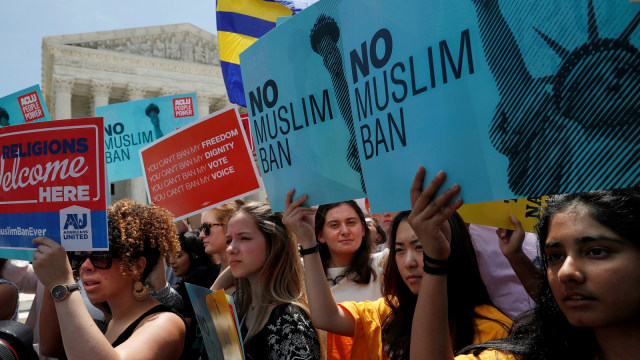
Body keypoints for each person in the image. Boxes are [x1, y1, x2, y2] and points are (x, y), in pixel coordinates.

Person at [408, 168, 640, 360]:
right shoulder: (530, 354)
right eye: (555, 256)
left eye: (596, 252)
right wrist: (435, 261)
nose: (566, 272)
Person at [284, 188, 511, 360]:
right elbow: (326, 317)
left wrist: (436, 264)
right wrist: (307, 242)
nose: (409, 261)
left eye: (421, 247)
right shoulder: (389, 312)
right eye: (400, 250)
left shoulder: (495, 329)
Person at [33, 199, 187, 360]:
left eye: (101, 257)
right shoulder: (111, 319)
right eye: (80, 256)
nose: (85, 266)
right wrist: (52, 277)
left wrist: (62, 284)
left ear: (137, 266)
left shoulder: (165, 323)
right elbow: (51, 347)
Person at [226, 201, 322, 359]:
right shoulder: (239, 302)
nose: (231, 249)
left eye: (244, 238)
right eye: (228, 240)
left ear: (274, 244)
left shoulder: (288, 321)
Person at [199, 200, 243, 272]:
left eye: (206, 227)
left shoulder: (253, 272)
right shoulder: (202, 275)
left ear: (228, 225)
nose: (201, 235)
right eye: (201, 229)